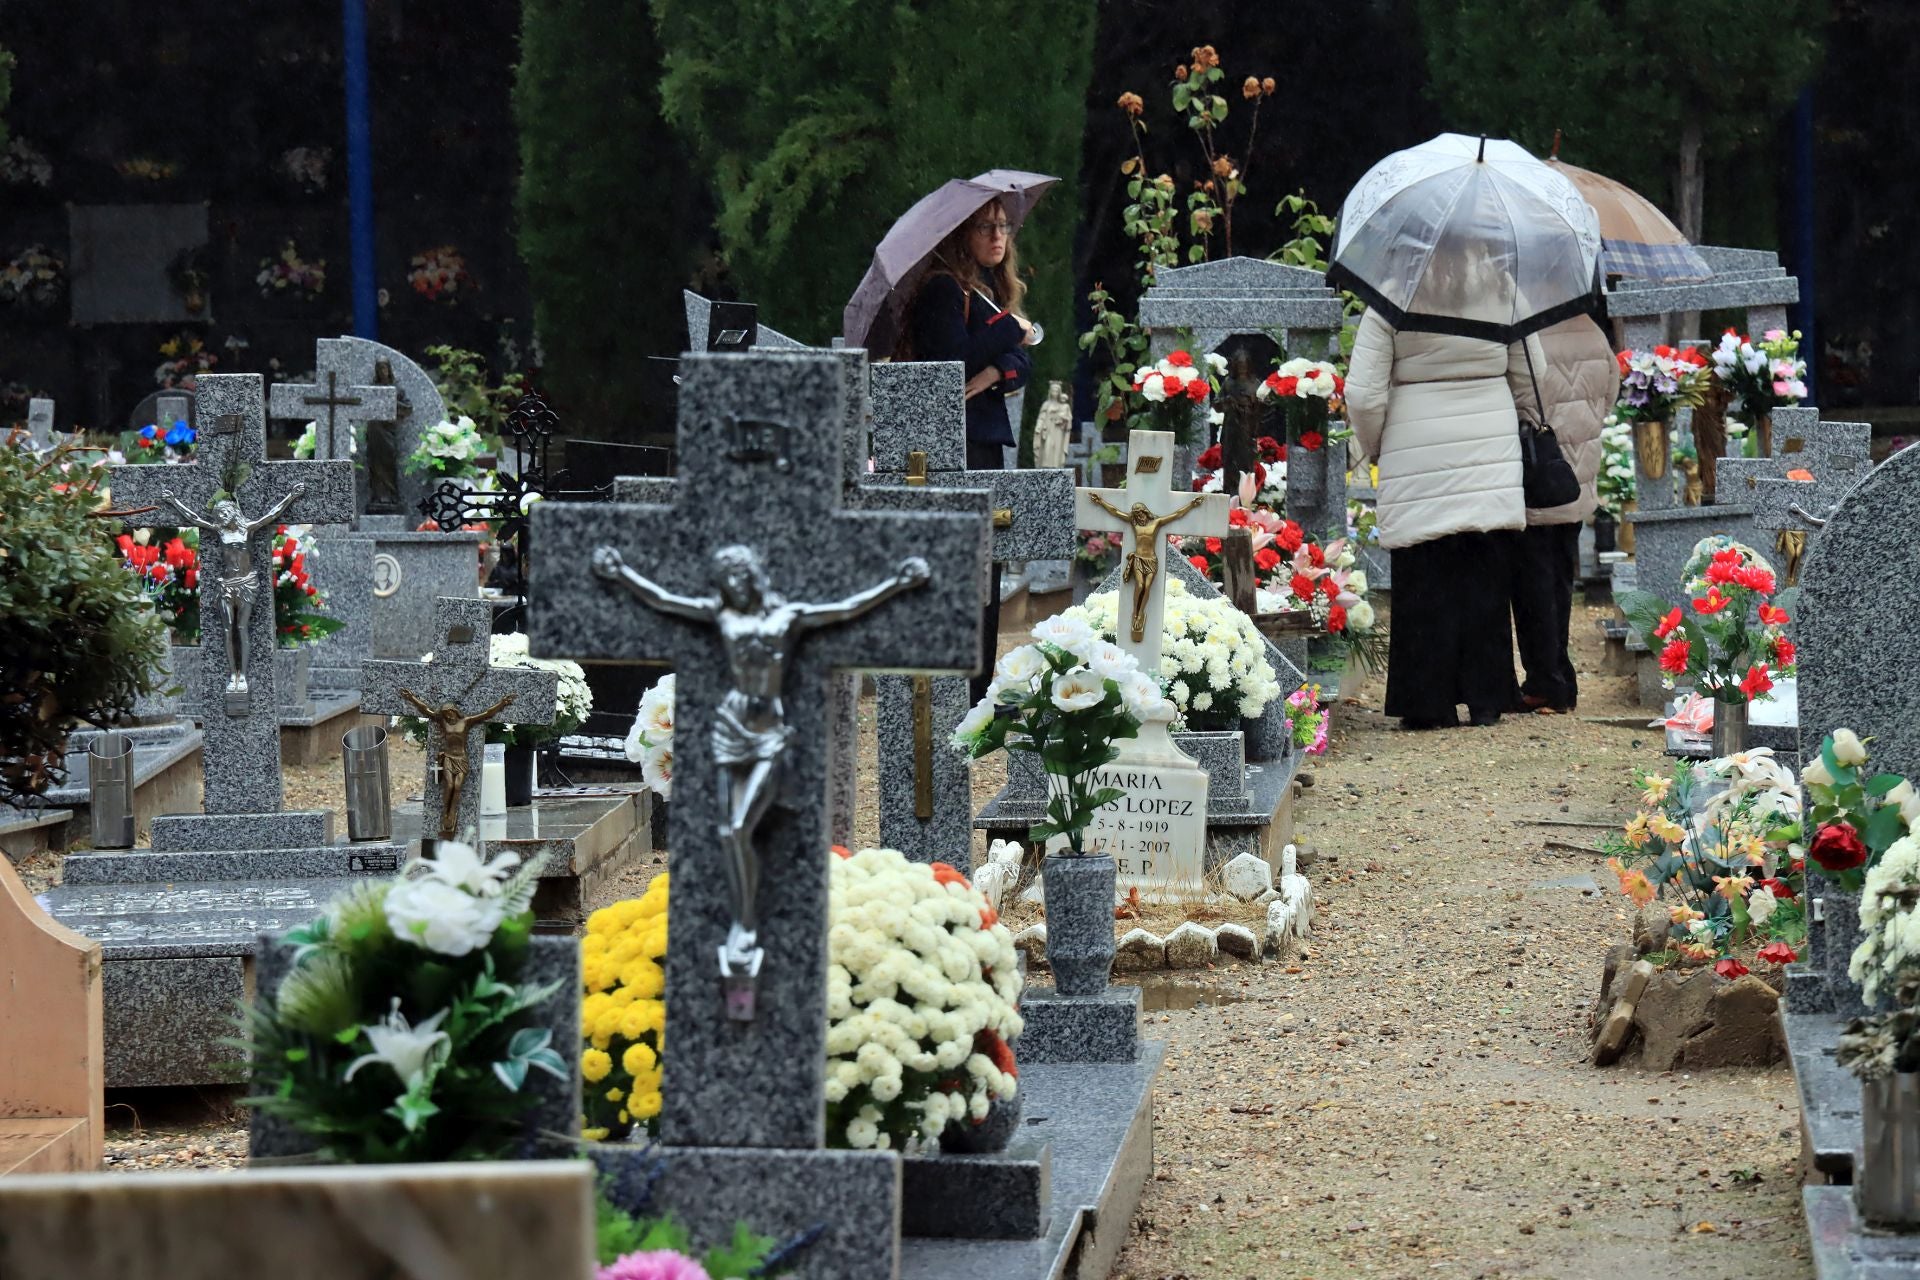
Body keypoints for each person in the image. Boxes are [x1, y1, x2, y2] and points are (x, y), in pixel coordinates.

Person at [1344, 258, 1532, 730]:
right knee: (1486, 575)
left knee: (1423, 575)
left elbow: (1364, 394)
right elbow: (1533, 372)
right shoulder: (1502, 286)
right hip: (1489, 438)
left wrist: (1375, 445)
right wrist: (1515, 418)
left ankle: (1427, 701)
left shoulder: (1392, 293)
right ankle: (1487, 697)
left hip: (1416, 440)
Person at [903, 198, 1037, 699]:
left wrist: (999, 368)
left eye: (1003, 227)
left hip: (982, 441)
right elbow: (950, 359)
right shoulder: (942, 289)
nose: (998, 237)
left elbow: (1022, 363)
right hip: (953, 445)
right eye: (985, 227)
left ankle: (979, 690)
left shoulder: (986, 291)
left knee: (988, 565)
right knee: (968, 568)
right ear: (962, 234)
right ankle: (957, 691)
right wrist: (1009, 330)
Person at [1506, 315, 1619, 714]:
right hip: (1574, 476)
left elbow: (1517, 397)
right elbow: (1611, 390)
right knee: (1560, 579)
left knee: (1532, 584)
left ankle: (1546, 680)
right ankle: (1562, 677)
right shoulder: (1590, 328)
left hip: (1537, 470)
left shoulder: (1524, 332)